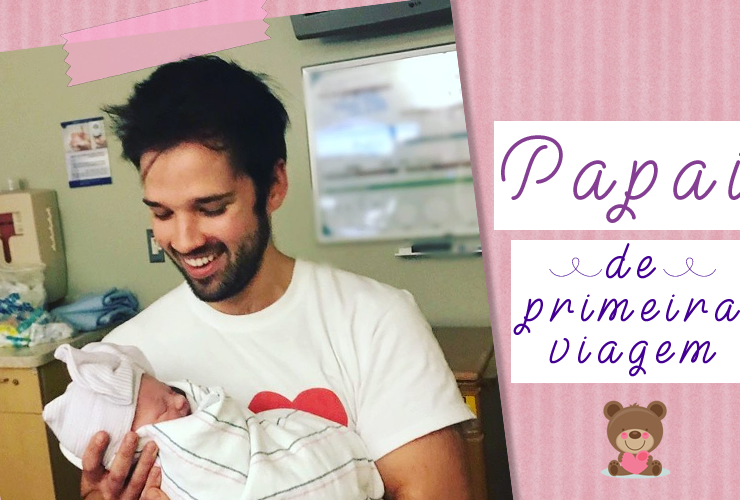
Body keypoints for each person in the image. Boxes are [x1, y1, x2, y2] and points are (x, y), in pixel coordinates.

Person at [88, 55, 474, 500]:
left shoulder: (374, 322)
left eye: (212, 208)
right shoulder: (128, 365)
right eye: (162, 213)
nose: (185, 239)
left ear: (274, 185)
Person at [43, 343, 384, 500]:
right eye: (162, 408)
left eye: (170, 390)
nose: (180, 400)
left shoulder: (375, 320)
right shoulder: (122, 342)